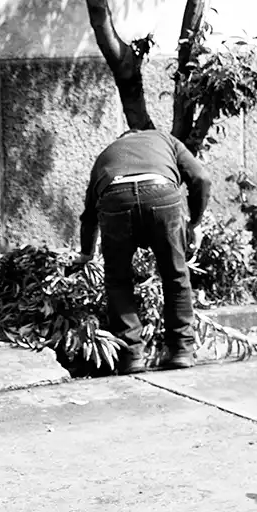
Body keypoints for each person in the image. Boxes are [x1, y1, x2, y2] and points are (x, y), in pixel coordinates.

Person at [74, 127, 211, 375]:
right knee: (175, 275)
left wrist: (86, 254)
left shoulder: (108, 153)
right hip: (162, 196)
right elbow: (201, 178)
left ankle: (131, 356)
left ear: (122, 139)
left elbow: (89, 214)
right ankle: (181, 350)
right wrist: (195, 222)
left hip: (116, 198)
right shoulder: (164, 139)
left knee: (118, 281)